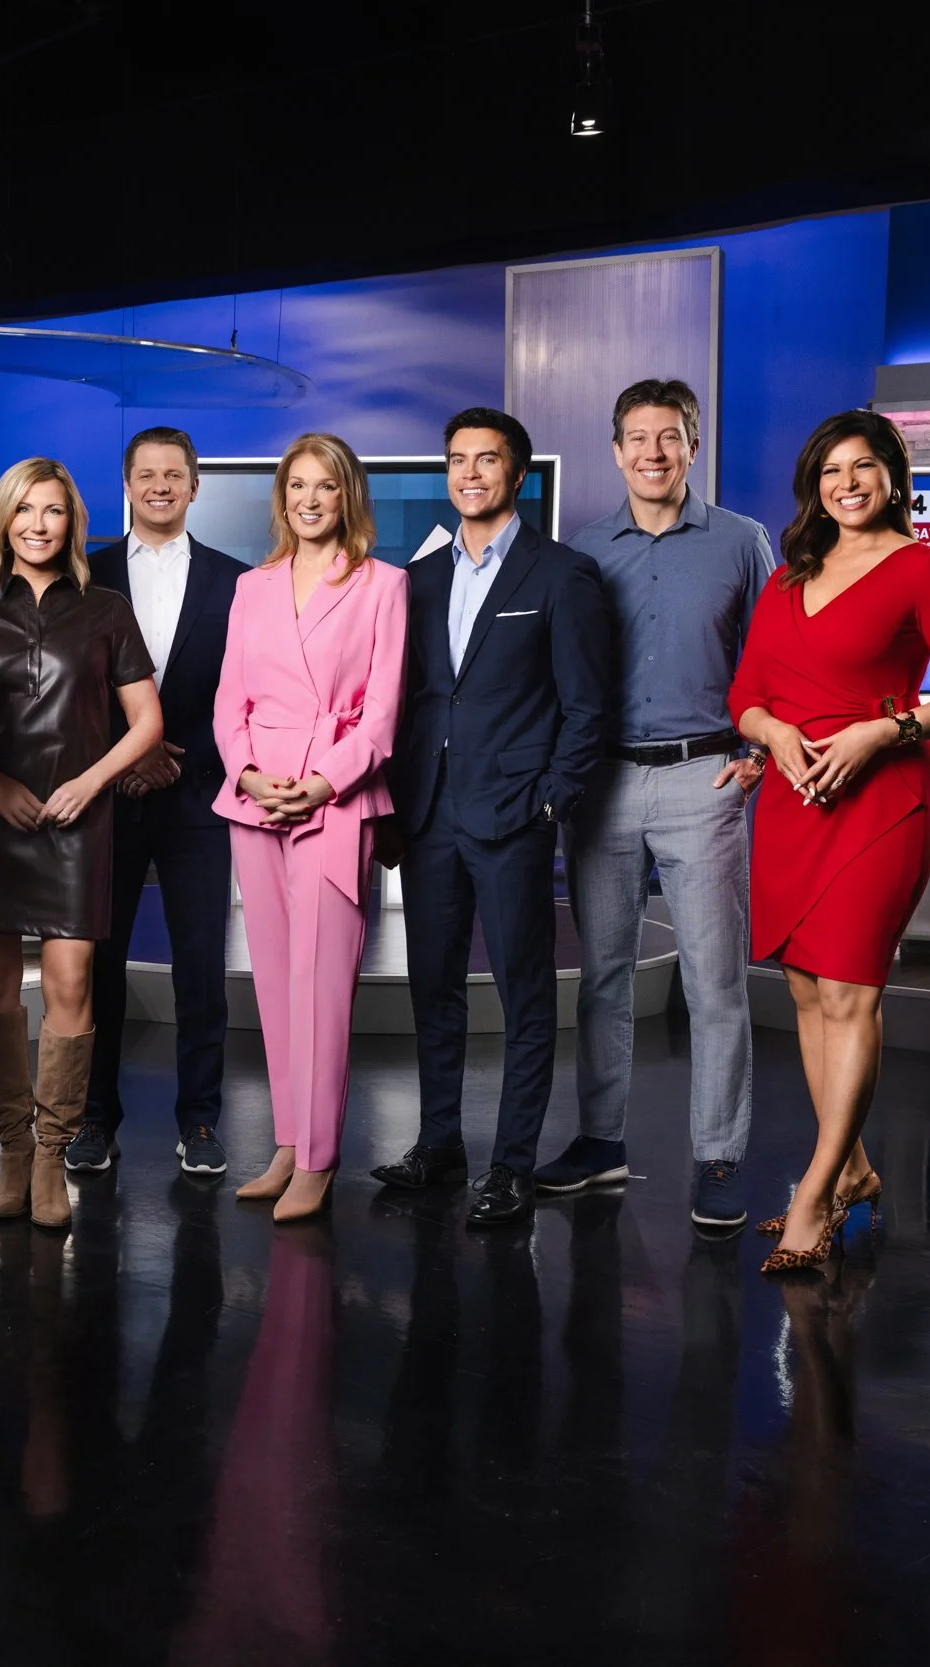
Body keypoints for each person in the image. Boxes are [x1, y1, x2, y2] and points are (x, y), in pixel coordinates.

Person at [731, 410, 930, 1273]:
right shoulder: (789, 575)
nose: (848, 482)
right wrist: (771, 735)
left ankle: (814, 1189)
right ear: (815, 484)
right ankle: (856, 1169)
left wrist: (881, 732)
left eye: (865, 466)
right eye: (832, 469)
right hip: (793, 802)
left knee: (849, 996)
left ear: (893, 476)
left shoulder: (926, 572)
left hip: (881, 802)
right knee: (808, 994)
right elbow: (748, 693)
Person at [544, 380, 779, 1231]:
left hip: (703, 778)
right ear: (615, 450)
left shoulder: (741, 542)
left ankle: (718, 1157)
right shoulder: (581, 550)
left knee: (714, 982)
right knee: (602, 977)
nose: (652, 452)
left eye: (669, 437)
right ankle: (601, 1143)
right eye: (637, 438)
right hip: (601, 785)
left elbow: (778, 654)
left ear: (692, 446)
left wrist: (757, 753)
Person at [375, 407, 613, 1227]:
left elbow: (588, 707)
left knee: (524, 996)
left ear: (517, 475)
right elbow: (410, 701)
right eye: (457, 460)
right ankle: (441, 1143)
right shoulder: (421, 578)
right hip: (429, 814)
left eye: (487, 460)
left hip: (514, 814)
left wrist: (552, 798)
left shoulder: (561, 574)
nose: (470, 473)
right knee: (432, 987)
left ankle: (511, 1163)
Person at [0, 458, 165, 1229]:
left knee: (70, 981)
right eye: (24, 509)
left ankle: (49, 1155)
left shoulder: (107, 610)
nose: (39, 523)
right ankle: (9, 1149)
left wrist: (88, 783)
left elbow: (148, 725)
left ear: (73, 522)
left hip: (76, 819)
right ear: (4, 521)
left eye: (54, 510)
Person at [212, 434, 409, 1221]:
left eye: (325, 485)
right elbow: (230, 703)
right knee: (275, 985)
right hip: (256, 796)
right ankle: (289, 1142)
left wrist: (322, 781)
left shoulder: (382, 585)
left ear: (347, 495)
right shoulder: (251, 587)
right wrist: (252, 775)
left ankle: (320, 1159)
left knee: (323, 987)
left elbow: (385, 714)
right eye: (297, 484)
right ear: (282, 496)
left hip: (336, 795)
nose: (309, 498)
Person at [72, 427, 249, 1178]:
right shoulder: (88, 574)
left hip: (199, 794)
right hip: (107, 795)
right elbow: (74, 690)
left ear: (195, 485)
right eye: (146, 474)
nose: (160, 486)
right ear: (127, 482)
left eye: (174, 474)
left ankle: (201, 1121)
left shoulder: (236, 581)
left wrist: (176, 758)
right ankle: (94, 1118)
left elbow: (245, 693)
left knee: (201, 966)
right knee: (98, 964)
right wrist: (125, 760)